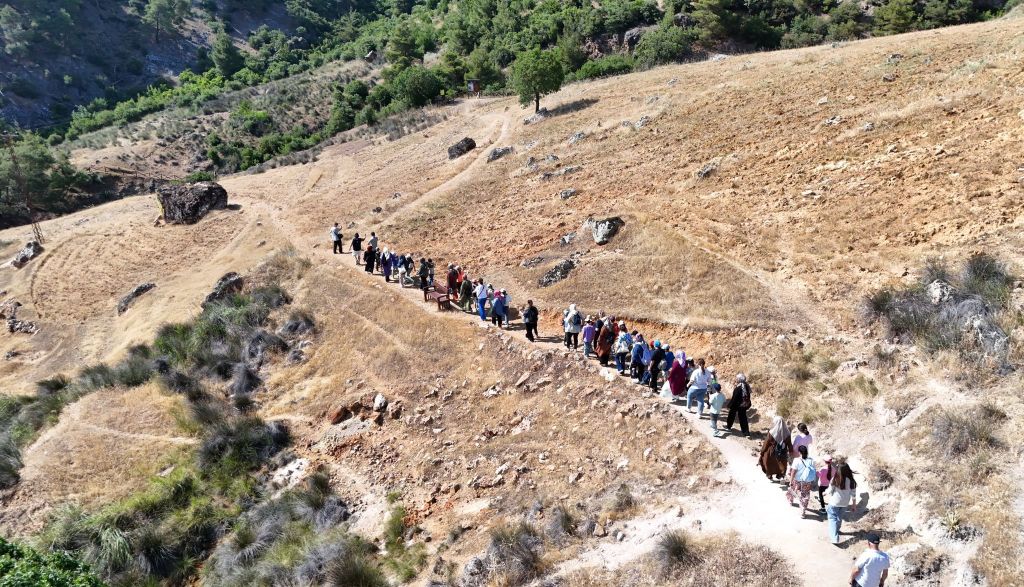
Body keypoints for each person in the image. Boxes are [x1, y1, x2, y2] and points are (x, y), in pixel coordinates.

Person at [825, 459, 859, 544]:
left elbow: (830, 490)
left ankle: (834, 538)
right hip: (845, 504)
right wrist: (854, 505)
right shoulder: (851, 481)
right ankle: (836, 530)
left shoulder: (835, 478)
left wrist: (824, 493)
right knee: (839, 517)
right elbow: (853, 494)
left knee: (832, 518)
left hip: (834, 502)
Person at [786, 444, 818, 516]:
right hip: (807, 481)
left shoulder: (797, 460)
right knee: (805, 496)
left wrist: (791, 481)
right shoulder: (811, 461)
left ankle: (790, 501)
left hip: (797, 480)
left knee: (791, 489)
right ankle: (803, 511)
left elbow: (793, 472)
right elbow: (813, 471)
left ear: (799, 452)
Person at [759, 416, 792, 480]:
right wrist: (791, 451)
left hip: (771, 452)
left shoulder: (772, 432)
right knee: (781, 464)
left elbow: (766, 443)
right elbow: (789, 444)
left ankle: (769, 475)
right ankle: (780, 475)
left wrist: (762, 451)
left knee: (768, 462)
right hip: (782, 452)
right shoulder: (787, 433)